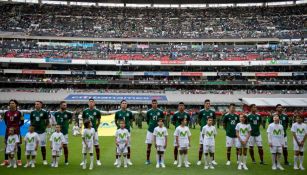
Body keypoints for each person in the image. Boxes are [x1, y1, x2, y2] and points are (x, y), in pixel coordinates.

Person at [1, 99, 24, 166]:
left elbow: (22, 122)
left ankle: (19, 160)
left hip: (17, 131)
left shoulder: (19, 113)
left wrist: (16, 127)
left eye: (13, 103)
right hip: (8, 130)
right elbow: (5, 121)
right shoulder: (6, 113)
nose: (11, 104)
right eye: (10, 103)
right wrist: (9, 127)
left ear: (16, 104)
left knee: (18, 145)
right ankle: (6, 161)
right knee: (6, 144)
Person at [81, 98, 101, 166]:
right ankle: (84, 161)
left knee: (96, 145)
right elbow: (84, 120)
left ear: (94, 103)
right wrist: (86, 128)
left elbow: (99, 121)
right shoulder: (85, 111)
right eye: (90, 102)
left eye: (92, 102)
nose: (91, 103)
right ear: (88, 103)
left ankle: (98, 160)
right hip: (86, 131)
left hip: (94, 130)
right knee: (85, 145)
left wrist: (96, 128)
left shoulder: (97, 111)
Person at [197, 99, 217, 166]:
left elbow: (214, 120)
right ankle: (199, 160)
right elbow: (199, 121)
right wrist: (203, 127)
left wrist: (211, 128)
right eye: (207, 103)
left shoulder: (212, 112)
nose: (208, 104)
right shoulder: (201, 112)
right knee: (201, 146)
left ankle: (213, 160)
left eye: (209, 103)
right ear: (204, 104)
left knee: (212, 146)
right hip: (203, 131)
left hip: (211, 132)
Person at [114, 100, 134, 166]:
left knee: (128, 146)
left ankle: (128, 160)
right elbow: (115, 121)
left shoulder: (129, 113)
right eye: (123, 103)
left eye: (125, 103)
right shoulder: (117, 113)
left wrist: (129, 126)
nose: (124, 104)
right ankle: (117, 160)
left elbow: (131, 120)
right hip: (119, 132)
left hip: (127, 131)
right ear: (120, 104)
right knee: (117, 146)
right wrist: (118, 127)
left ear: (127, 105)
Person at [145, 99, 164, 165]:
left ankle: (160, 160)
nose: (154, 104)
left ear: (157, 104)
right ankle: (147, 160)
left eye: (155, 103)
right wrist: (151, 125)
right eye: (153, 103)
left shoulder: (160, 112)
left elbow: (162, 120)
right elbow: (147, 121)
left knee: (159, 146)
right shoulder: (148, 112)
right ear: (151, 104)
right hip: (150, 130)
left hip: (158, 131)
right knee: (149, 146)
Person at [30, 101, 49, 165]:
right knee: (33, 146)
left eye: (37, 104)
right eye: (35, 104)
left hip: (42, 132)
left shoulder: (44, 112)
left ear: (41, 105)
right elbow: (31, 121)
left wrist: (44, 127)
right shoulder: (32, 112)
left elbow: (47, 121)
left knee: (43, 146)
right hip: (34, 132)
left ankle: (44, 160)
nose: (36, 105)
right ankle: (33, 160)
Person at [53, 101, 73, 165]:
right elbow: (55, 120)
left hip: (65, 132)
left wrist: (69, 122)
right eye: (64, 105)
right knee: (55, 146)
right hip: (57, 132)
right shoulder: (56, 113)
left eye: (66, 105)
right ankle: (54, 161)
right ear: (60, 106)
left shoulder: (68, 113)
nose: (65, 106)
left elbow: (71, 118)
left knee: (65, 146)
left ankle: (66, 160)